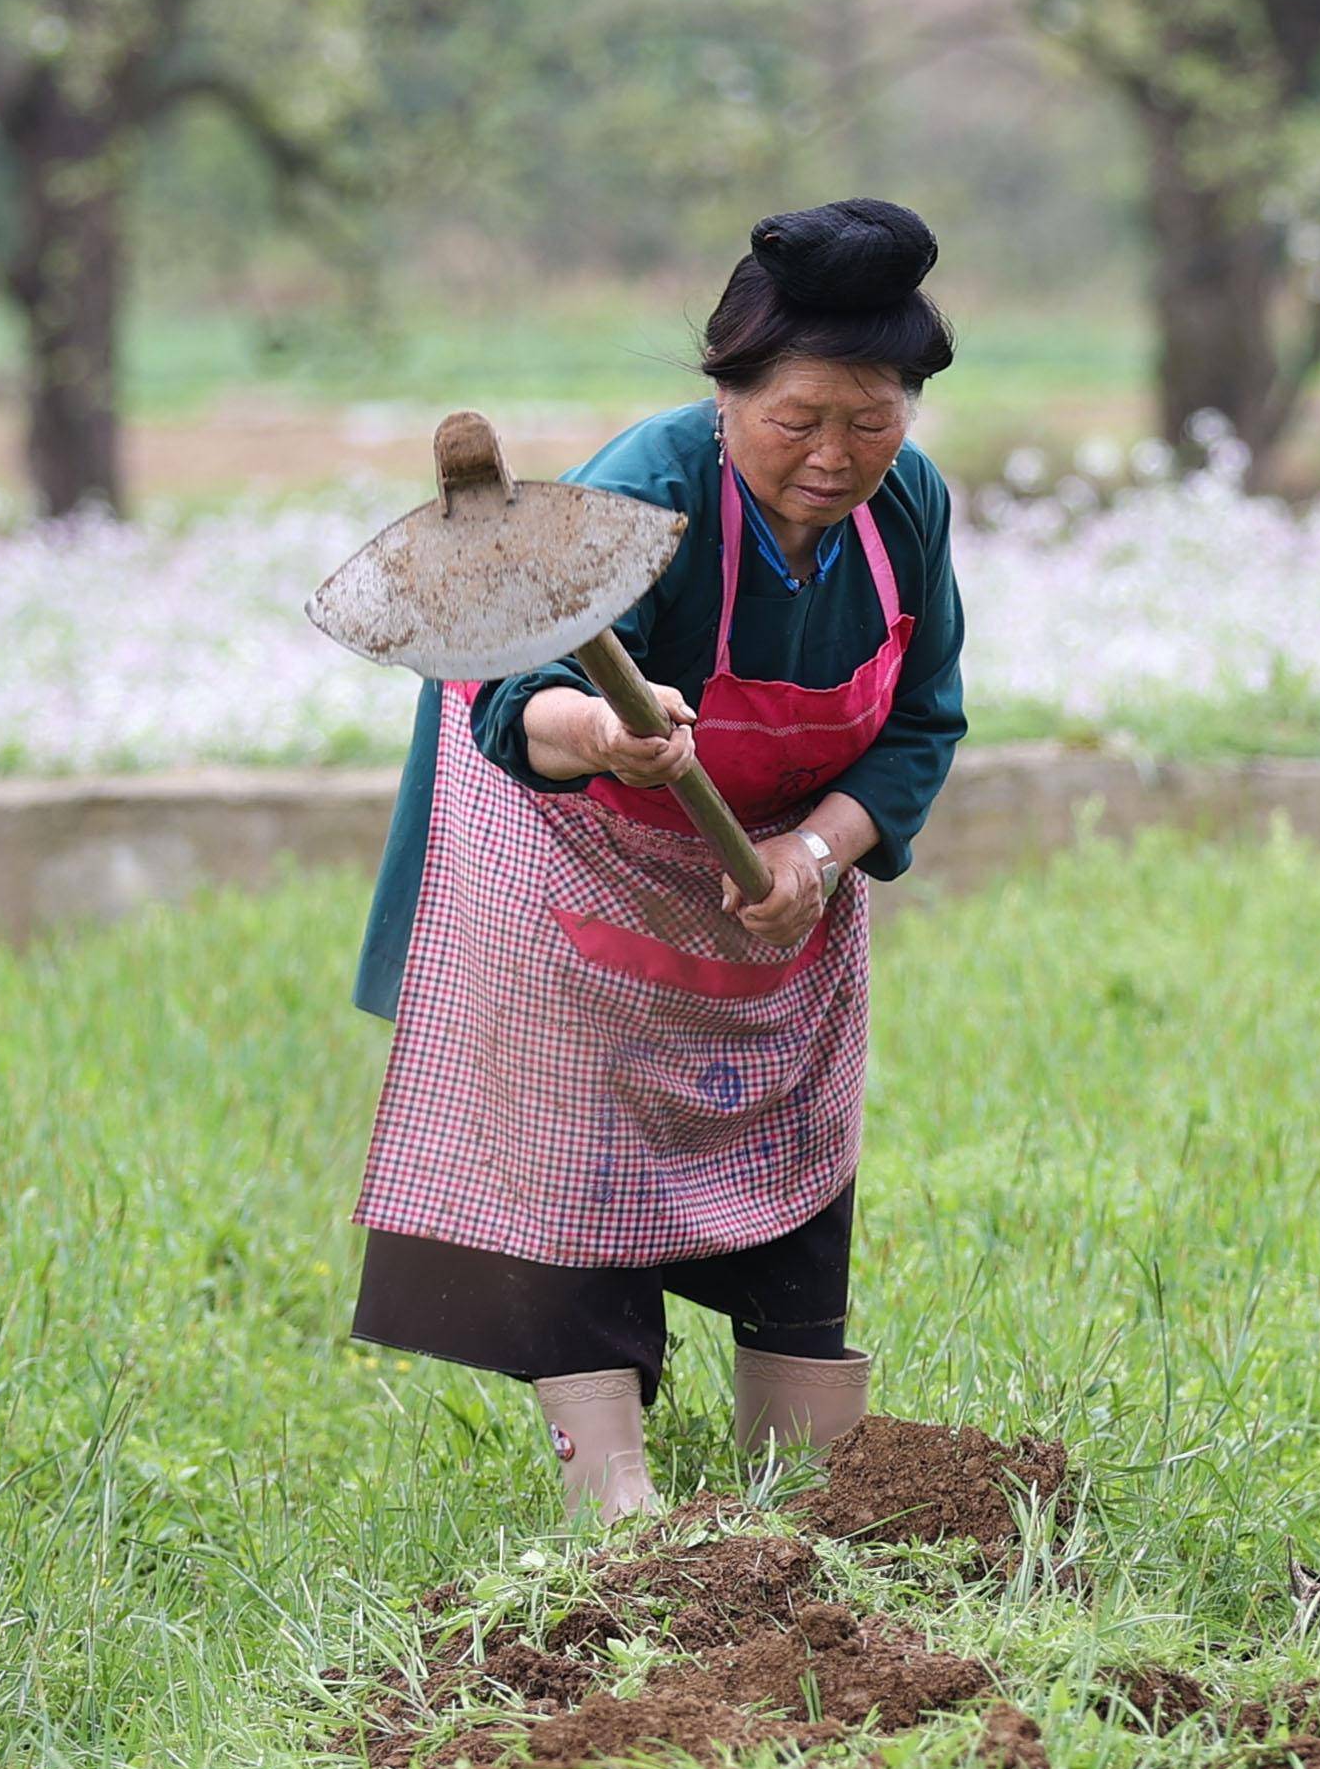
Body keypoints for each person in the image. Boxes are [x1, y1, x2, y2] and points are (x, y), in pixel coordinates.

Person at [346, 202, 972, 1517]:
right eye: (796, 417)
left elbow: (921, 721)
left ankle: (805, 1486)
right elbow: (517, 702)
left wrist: (814, 849)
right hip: (561, 835)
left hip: (764, 872)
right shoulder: (651, 485)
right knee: (581, 1142)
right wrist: (606, 735)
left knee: (795, 1125)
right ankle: (611, 1496)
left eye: (871, 419)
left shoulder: (907, 504)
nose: (834, 454)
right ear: (726, 393)